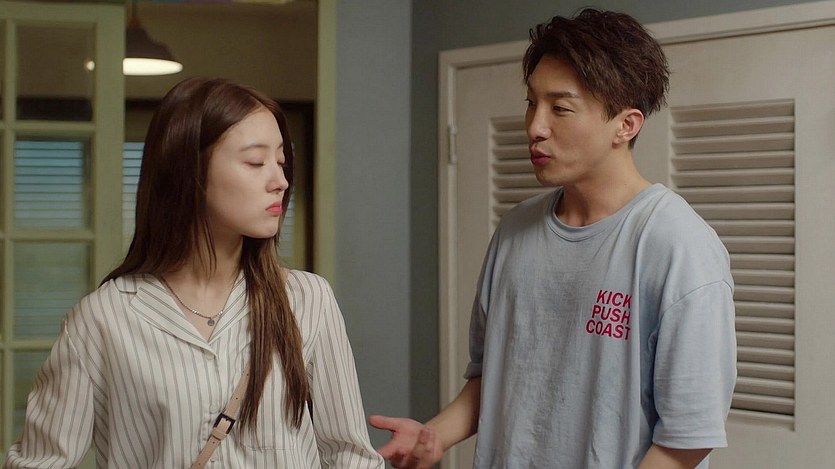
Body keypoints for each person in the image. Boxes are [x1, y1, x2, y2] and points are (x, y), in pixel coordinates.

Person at [370, 8, 736, 469]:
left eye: (560, 108)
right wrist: (434, 436)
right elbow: (490, 379)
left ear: (626, 124)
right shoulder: (515, 230)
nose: (535, 127)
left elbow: (686, 438)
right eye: (532, 103)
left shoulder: (678, 245)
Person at [5, 77, 384, 469]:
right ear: (190, 171)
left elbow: (351, 456)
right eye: (256, 162)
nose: (281, 182)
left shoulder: (307, 300)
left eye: (281, 162)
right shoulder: (102, 320)